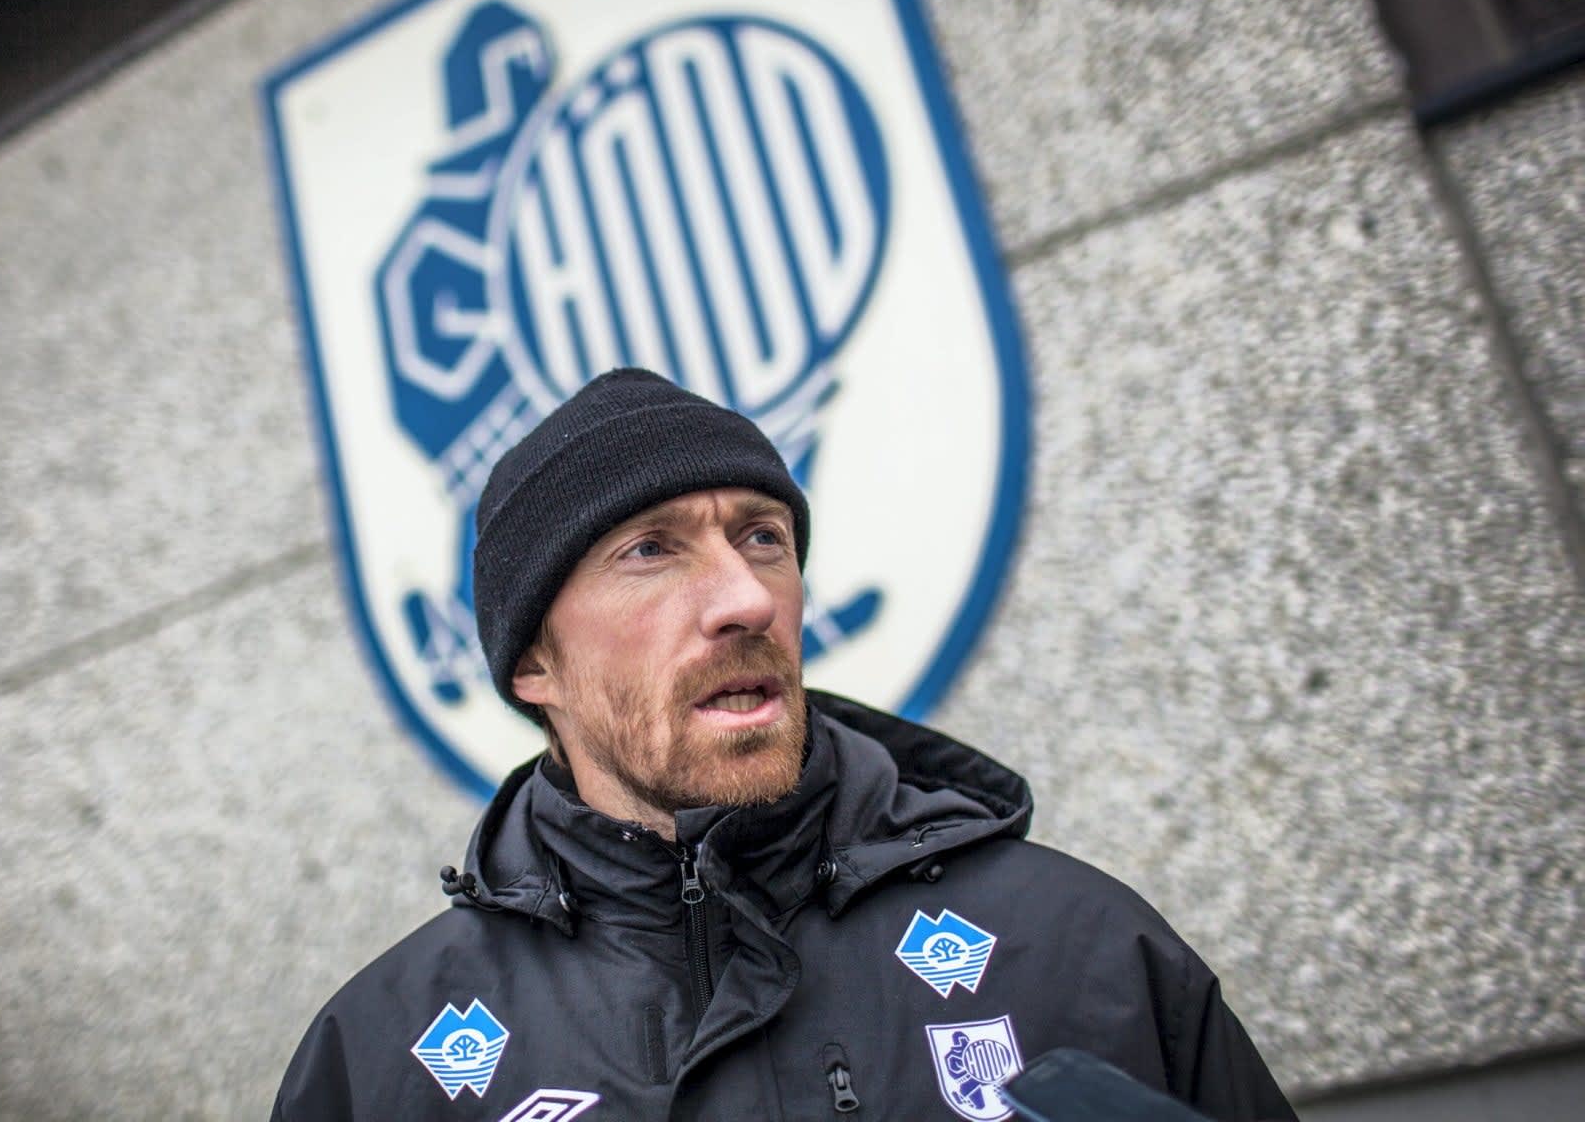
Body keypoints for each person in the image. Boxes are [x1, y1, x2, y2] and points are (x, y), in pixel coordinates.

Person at [272, 368, 1297, 1121]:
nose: (747, 597)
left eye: (762, 536)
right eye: (649, 549)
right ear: (534, 663)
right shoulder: (380, 1059)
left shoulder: (1078, 946)